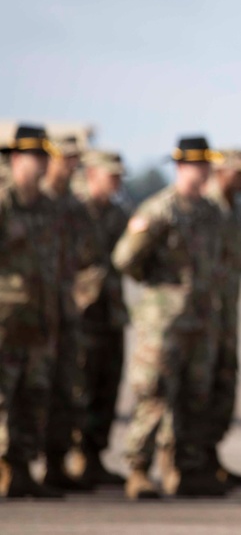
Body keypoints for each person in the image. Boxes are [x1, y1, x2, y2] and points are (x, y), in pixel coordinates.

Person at [113, 136, 227, 499]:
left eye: (206, 165)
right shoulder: (159, 209)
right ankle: (139, 469)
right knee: (155, 395)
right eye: (196, 165)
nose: (202, 171)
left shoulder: (211, 212)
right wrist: (160, 290)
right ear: (180, 167)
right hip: (164, 322)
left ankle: (186, 469)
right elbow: (126, 258)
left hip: (202, 319)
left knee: (196, 397)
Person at [0, 125, 63, 499]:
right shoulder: (4, 201)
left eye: (45, 156)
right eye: (35, 157)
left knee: (33, 394)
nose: (42, 164)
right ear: (16, 158)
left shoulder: (49, 206)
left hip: (39, 317)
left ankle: (22, 470)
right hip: (5, 318)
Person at [39, 135, 98, 492]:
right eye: (65, 157)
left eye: (76, 159)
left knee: (65, 388)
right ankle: (12, 464)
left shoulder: (73, 208)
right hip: (24, 314)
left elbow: (88, 254)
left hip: (64, 310)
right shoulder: (24, 202)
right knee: (19, 391)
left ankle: (55, 463)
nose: (70, 164)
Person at [70, 150, 129, 487]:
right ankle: (70, 457)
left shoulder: (118, 214)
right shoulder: (73, 212)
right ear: (92, 173)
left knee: (107, 386)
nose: (117, 183)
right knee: (79, 386)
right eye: (112, 176)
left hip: (111, 312)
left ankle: (93, 458)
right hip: (81, 313)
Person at [203, 148, 241, 488]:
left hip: (226, 317)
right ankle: (186, 462)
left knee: (222, 388)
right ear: (219, 171)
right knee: (196, 391)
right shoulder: (204, 209)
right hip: (198, 316)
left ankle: (208, 458)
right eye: (238, 172)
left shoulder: (236, 214)